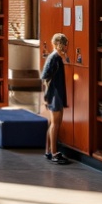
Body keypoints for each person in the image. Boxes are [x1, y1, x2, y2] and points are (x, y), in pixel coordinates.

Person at [41, 33, 69, 164]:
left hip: (55, 93)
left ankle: (49, 151)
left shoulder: (56, 57)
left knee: (53, 123)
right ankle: (54, 153)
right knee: (55, 124)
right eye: (65, 44)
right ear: (61, 44)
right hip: (55, 94)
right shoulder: (55, 58)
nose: (67, 47)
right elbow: (45, 75)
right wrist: (48, 94)